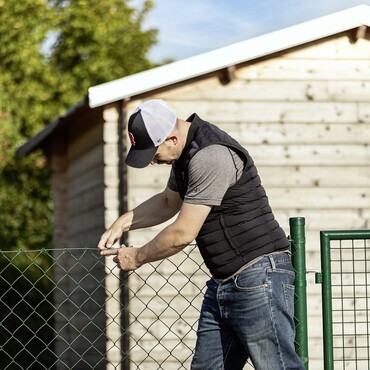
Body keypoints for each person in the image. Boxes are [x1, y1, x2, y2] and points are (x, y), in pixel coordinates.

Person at [98, 99, 305, 370]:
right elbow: (168, 202)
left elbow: (183, 232)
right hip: (224, 282)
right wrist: (124, 222)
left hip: (257, 278)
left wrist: (137, 257)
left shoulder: (211, 155)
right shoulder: (185, 153)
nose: (152, 161)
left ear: (172, 138)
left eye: (153, 152)